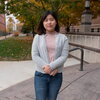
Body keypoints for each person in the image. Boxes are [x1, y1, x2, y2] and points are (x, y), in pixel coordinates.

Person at [31, 10, 69, 100]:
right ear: (43, 23)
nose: (49, 22)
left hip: (56, 76)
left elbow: (64, 56)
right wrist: (46, 67)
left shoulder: (63, 38)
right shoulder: (38, 37)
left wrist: (52, 67)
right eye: (46, 20)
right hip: (40, 75)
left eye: (51, 19)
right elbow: (34, 55)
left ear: (56, 21)